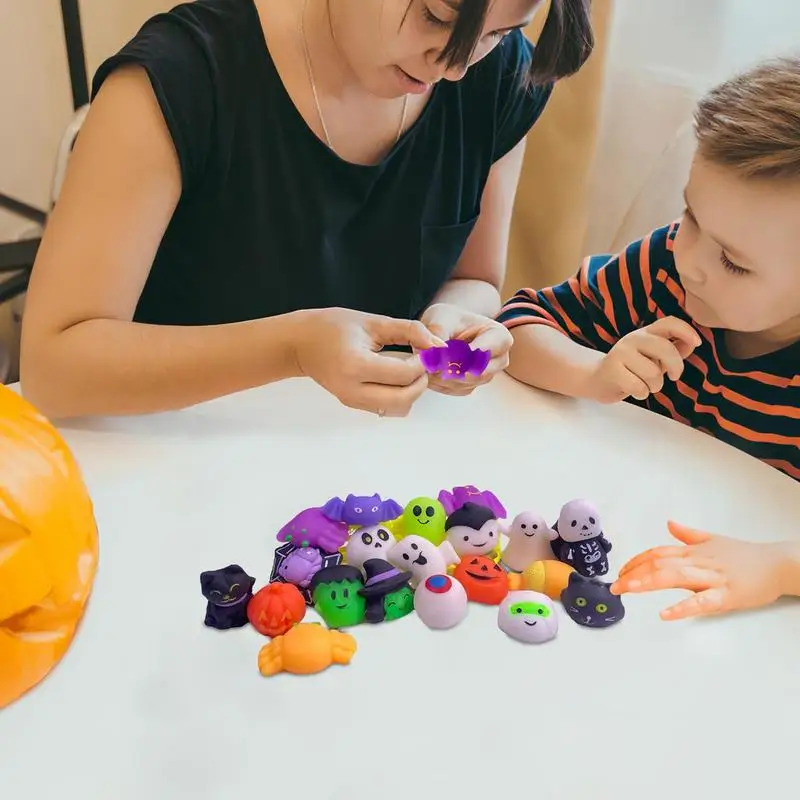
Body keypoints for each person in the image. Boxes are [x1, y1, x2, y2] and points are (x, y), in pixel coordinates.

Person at [18, 0, 593, 419]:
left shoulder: (500, 75)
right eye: (438, 19)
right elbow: (53, 366)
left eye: (497, 33)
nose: (456, 67)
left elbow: (475, 279)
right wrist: (293, 348)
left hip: (355, 467)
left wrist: (452, 326)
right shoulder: (179, 76)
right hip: (170, 455)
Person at [497, 56, 800, 620]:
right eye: (690, 215)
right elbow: (516, 326)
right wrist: (591, 372)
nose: (691, 261)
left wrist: (780, 566)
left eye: (733, 263)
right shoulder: (663, 268)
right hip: (610, 558)